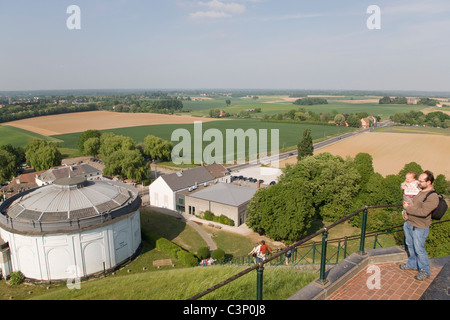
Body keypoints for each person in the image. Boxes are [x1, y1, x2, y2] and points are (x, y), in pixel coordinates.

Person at [401, 170, 439, 281]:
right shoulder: (420, 191)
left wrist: (408, 208)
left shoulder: (432, 196)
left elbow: (423, 212)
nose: (418, 182)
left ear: (429, 182)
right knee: (410, 246)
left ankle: (424, 271)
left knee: (419, 249)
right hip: (409, 223)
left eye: (421, 181)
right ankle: (412, 264)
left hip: (420, 227)